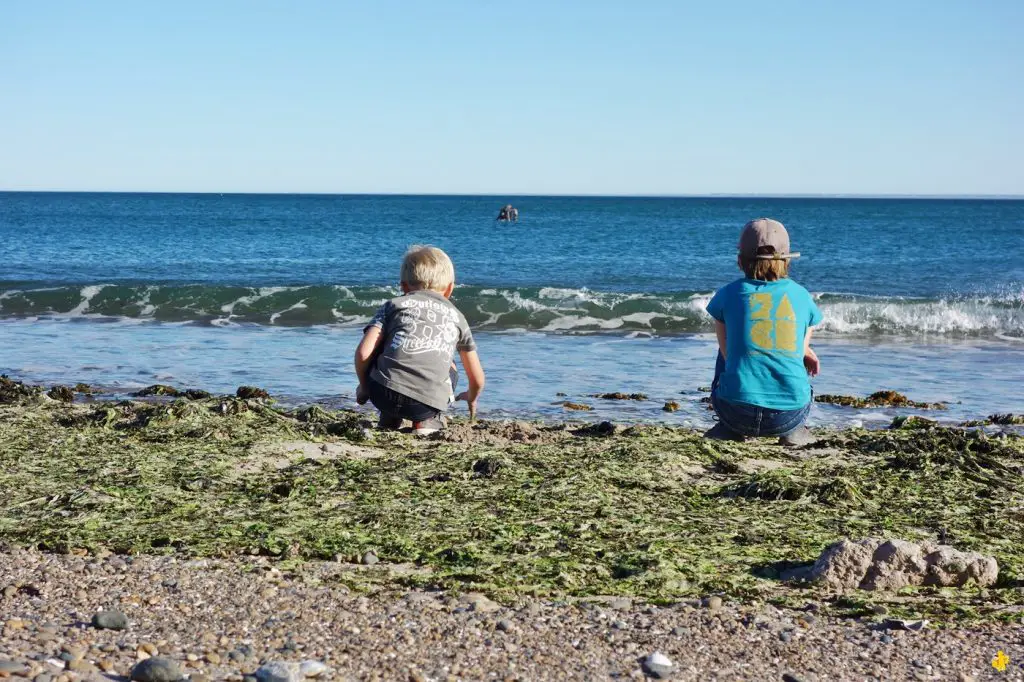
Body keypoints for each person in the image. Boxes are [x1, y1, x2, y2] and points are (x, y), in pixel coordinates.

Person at [703, 218, 821, 446]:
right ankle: (794, 431)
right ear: (787, 261)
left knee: (728, 346)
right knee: (795, 356)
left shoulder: (728, 294)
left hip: (736, 413)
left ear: (740, 261)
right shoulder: (802, 295)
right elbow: (807, 330)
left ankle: (727, 429)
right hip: (788, 416)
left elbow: (727, 352)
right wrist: (805, 350)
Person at [354, 245, 485, 435]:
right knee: (449, 363)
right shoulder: (457, 317)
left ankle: (389, 416)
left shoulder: (393, 305)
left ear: (404, 287)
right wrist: (471, 398)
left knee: (384, 347)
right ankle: (427, 422)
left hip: (382, 394)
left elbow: (363, 353)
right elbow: (477, 378)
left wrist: (365, 388)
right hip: (425, 404)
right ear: (449, 289)